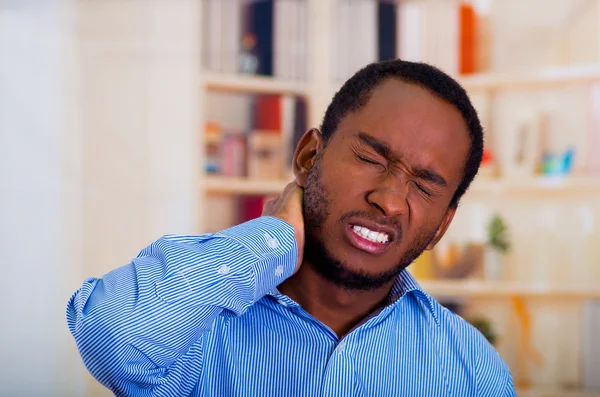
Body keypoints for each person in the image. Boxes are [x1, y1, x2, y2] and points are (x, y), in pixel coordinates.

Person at [67, 60, 516, 396]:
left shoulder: (471, 371)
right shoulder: (199, 330)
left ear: (442, 225)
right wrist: (273, 237)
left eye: (423, 185)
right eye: (371, 158)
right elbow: (114, 334)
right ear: (307, 157)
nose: (390, 200)